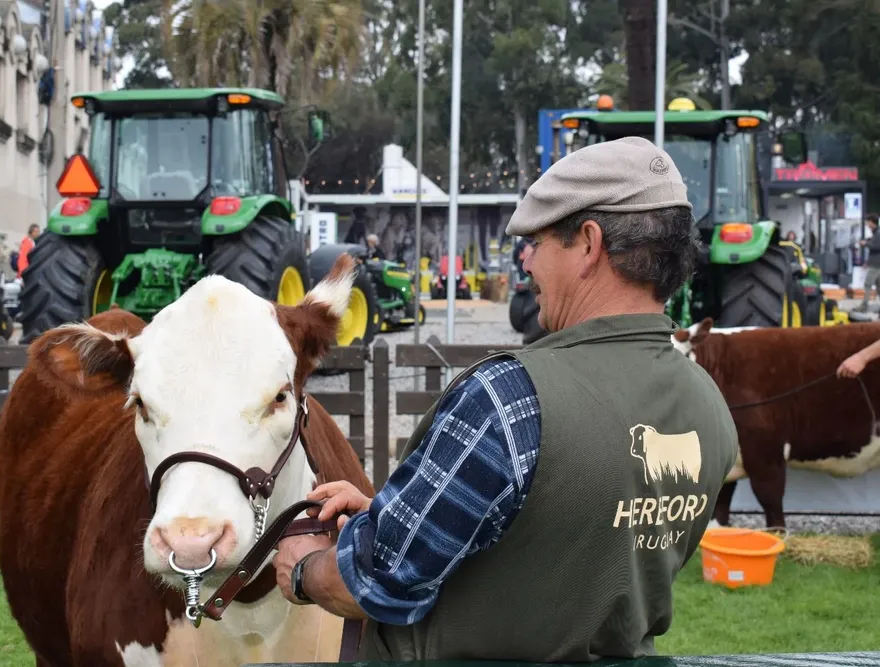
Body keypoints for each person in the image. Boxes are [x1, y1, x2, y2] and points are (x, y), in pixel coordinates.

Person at [273, 137, 740, 662]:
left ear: (588, 244)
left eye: (537, 242)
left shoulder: (507, 399)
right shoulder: (708, 405)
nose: (526, 263)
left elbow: (380, 581)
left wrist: (304, 566)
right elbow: (578, 549)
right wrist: (396, 515)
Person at [854, 213, 880, 312]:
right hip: (876, 263)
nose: (868, 225)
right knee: (878, 286)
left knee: (868, 284)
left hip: (876, 264)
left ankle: (864, 305)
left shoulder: (878, 233)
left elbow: (875, 246)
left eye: (868, 222)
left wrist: (866, 243)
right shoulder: (875, 233)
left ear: (872, 222)